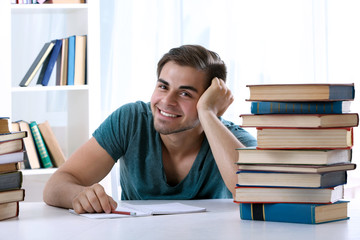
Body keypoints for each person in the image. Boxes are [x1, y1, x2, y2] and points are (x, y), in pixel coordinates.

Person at [43, 45, 257, 214]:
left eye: (185, 94)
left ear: (209, 100)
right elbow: (55, 186)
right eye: (163, 86)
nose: (166, 101)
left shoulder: (232, 140)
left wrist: (209, 115)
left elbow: (255, 192)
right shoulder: (131, 120)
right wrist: (79, 195)